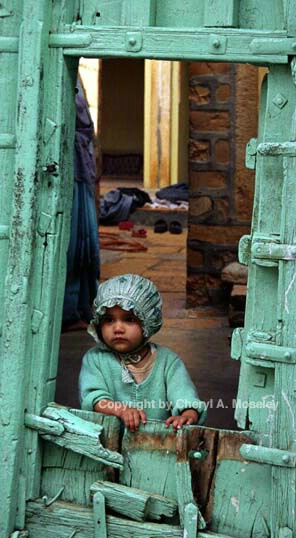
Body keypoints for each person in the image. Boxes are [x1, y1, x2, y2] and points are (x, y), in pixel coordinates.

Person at [79, 274, 207, 431]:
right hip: (109, 446)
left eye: (129, 319)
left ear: (147, 323)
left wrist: (187, 414)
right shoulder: (95, 359)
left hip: (158, 447)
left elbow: (184, 396)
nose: (118, 328)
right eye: (109, 320)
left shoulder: (167, 361)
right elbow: (94, 398)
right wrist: (121, 410)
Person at [62, 81, 100, 330]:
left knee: (84, 244)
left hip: (79, 171)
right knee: (71, 246)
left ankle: (81, 306)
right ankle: (67, 311)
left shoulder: (75, 82)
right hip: (68, 171)